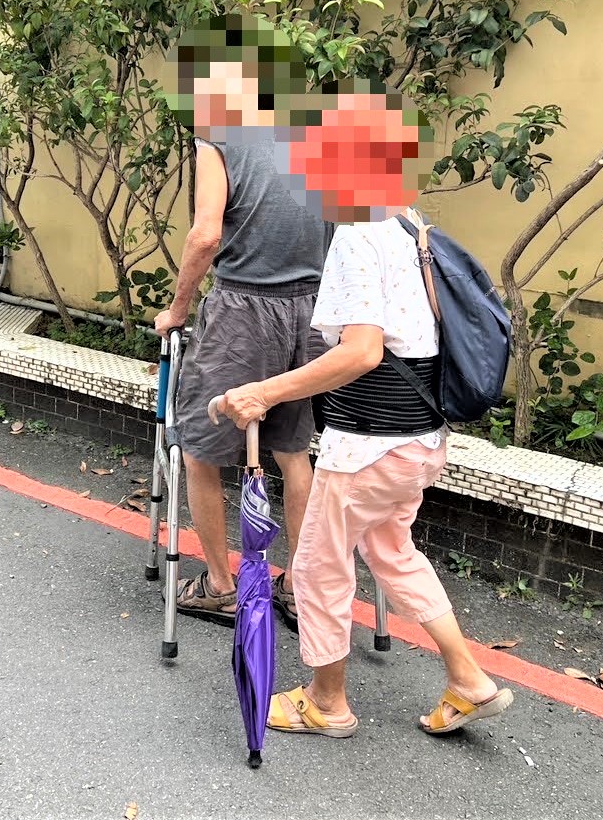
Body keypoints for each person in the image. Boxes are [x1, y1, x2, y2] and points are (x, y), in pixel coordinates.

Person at [214, 203, 514, 739]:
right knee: (393, 552)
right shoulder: (411, 225)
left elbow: (361, 353)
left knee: (317, 567)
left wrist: (263, 392)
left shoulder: (358, 237)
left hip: (367, 448)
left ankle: (326, 702)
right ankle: (469, 680)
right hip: (419, 442)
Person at [154, 15, 332, 631]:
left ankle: (221, 585)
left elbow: (206, 235)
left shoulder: (219, 136)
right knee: (293, 452)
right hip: (312, 312)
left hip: (242, 311)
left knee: (200, 449)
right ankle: (299, 587)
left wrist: (178, 309)